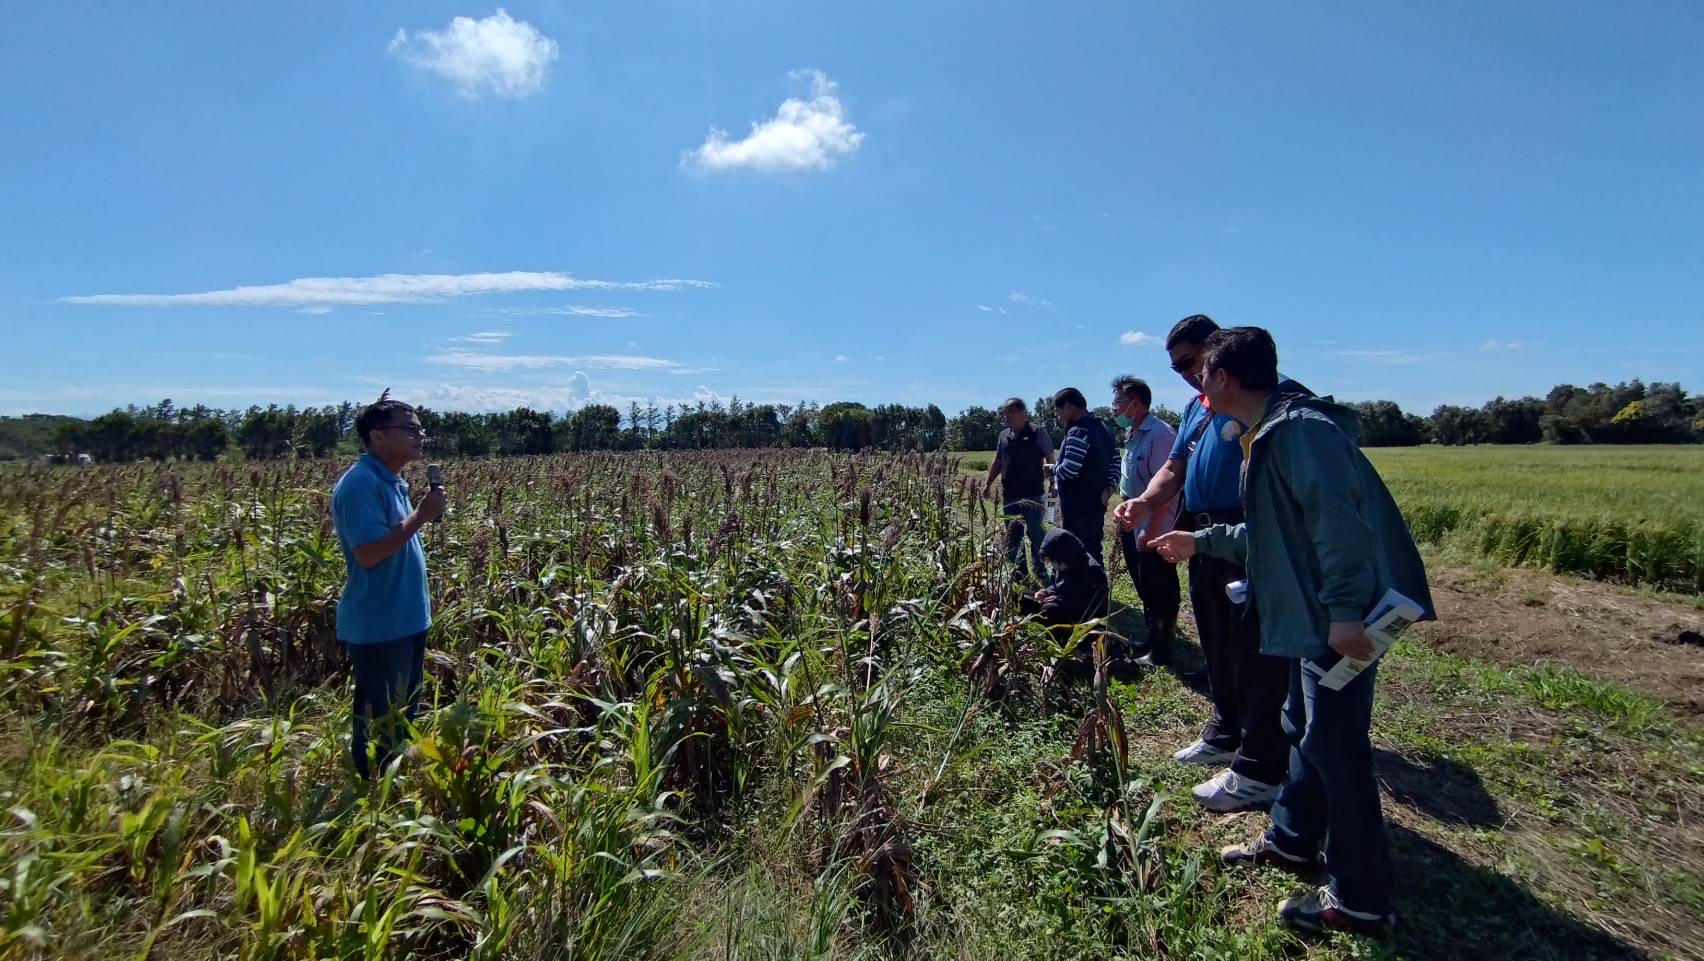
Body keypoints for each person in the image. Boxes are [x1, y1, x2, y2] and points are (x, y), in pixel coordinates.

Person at [1150, 327, 1433, 938]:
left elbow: (1341, 530)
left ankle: (1360, 897)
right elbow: (1275, 536)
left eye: (1202, 371)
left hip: (1338, 619)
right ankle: (1292, 840)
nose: (1196, 380)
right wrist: (1200, 540)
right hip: (1314, 616)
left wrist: (1345, 612)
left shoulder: (1300, 431)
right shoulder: (1269, 431)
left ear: (1224, 377)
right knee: (1306, 729)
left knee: (1338, 749)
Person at [1112, 314, 1300, 812]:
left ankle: (1260, 761)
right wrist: (1145, 503)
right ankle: (1225, 729)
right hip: (1202, 531)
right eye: (1175, 369)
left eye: (1191, 363)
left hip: (1245, 533)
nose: (1185, 375)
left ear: (1218, 357)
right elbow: (1175, 467)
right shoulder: (1200, 408)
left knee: (1255, 649)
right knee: (1216, 634)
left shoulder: (1268, 406)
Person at [331, 392, 446, 779]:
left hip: (406, 618)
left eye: (420, 428)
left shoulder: (391, 481)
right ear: (378, 436)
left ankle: (393, 782)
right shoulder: (360, 485)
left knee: (403, 711)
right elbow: (368, 553)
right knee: (379, 717)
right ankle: (372, 791)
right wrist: (422, 516)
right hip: (379, 623)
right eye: (409, 428)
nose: (419, 435)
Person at [1110, 375, 1181, 667]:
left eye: (1117, 402)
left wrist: (1150, 531)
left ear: (1135, 404)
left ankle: (1163, 646)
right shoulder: (1134, 434)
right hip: (1133, 520)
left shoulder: (1160, 434)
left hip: (1154, 525)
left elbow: (1166, 490)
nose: (1113, 408)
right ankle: (1152, 635)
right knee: (1143, 582)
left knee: (1159, 584)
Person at [983, 397, 1055, 581]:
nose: (1007, 417)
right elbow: (998, 462)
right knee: (1013, 536)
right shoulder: (1003, 436)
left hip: (1033, 494)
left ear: (1024, 413)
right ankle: (1019, 571)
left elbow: (1050, 459)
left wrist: (1053, 485)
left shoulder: (1037, 432)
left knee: (1035, 530)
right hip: (1010, 496)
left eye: (1011, 413)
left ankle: (1040, 568)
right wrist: (988, 483)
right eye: (1004, 414)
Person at [1049, 387, 1120, 567]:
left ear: (1068, 407)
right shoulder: (1105, 430)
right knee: (1094, 548)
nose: (1058, 418)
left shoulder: (1078, 431)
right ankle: (1098, 590)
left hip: (1077, 505)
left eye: (1058, 413)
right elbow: (1115, 464)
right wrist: (1109, 488)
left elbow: (1069, 470)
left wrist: (1052, 469)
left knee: (1077, 550)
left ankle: (1084, 591)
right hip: (1097, 503)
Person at [1019, 528, 1110, 651]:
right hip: (1063, 599)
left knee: (1049, 609)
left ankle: (1057, 642)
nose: (1053, 564)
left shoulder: (1092, 570)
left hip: (1083, 614)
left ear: (1065, 554)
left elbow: (1091, 604)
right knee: (1022, 595)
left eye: (1054, 561)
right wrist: (1047, 592)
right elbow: (1057, 584)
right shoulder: (1063, 561)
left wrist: (1061, 600)